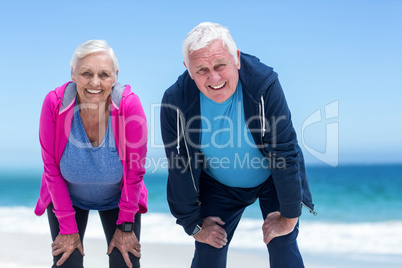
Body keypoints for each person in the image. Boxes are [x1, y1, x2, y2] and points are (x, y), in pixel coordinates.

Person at [160, 22, 315, 268]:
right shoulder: (175, 101)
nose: (214, 77)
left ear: (237, 58)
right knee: (208, 251)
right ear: (188, 70)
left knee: (283, 244)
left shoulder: (264, 84)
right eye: (201, 69)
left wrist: (288, 217)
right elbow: (179, 166)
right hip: (218, 185)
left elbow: (284, 150)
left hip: (272, 179)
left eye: (221, 65)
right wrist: (193, 225)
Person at [34, 40, 148, 268]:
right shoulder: (54, 104)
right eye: (86, 73)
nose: (95, 82)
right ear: (73, 74)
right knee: (66, 262)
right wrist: (67, 227)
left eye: (104, 74)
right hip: (67, 198)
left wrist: (126, 226)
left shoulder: (129, 106)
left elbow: (135, 172)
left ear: (115, 76)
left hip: (120, 199)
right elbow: (51, 169)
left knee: (126, 262)